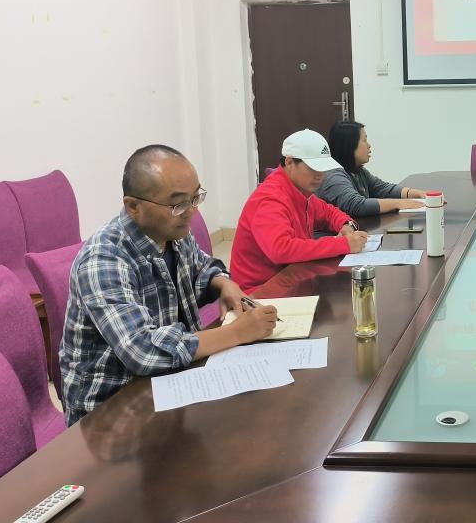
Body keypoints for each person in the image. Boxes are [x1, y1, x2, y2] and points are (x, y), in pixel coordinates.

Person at [61, 145, 277, 426]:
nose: (191, 212)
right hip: (111, 414)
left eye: (195, 198)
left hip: (170, 384)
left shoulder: (174, 233)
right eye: (178, 204)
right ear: (133, 206)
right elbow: (141, 350)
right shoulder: (104, 259)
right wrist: (238, 332)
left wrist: (223, 284)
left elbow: (202, 269)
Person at [230, 129, 370, 292]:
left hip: (291, 279)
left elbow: (328, 212)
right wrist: (343, 244)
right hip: (258, 292)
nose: (320, 175)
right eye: (313, 168)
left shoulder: (301, 192)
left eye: (323, 168)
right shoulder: (270, 199)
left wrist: (347, 225)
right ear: (290, 162)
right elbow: (281, 250)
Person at [317, 121, 426, 217]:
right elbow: (357, 205)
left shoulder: (358, 171)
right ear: (349, 145)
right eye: (364, 140)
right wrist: (399, 203)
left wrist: (418, 193)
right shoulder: (333, 176)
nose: (369, 145)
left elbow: (382, 189)